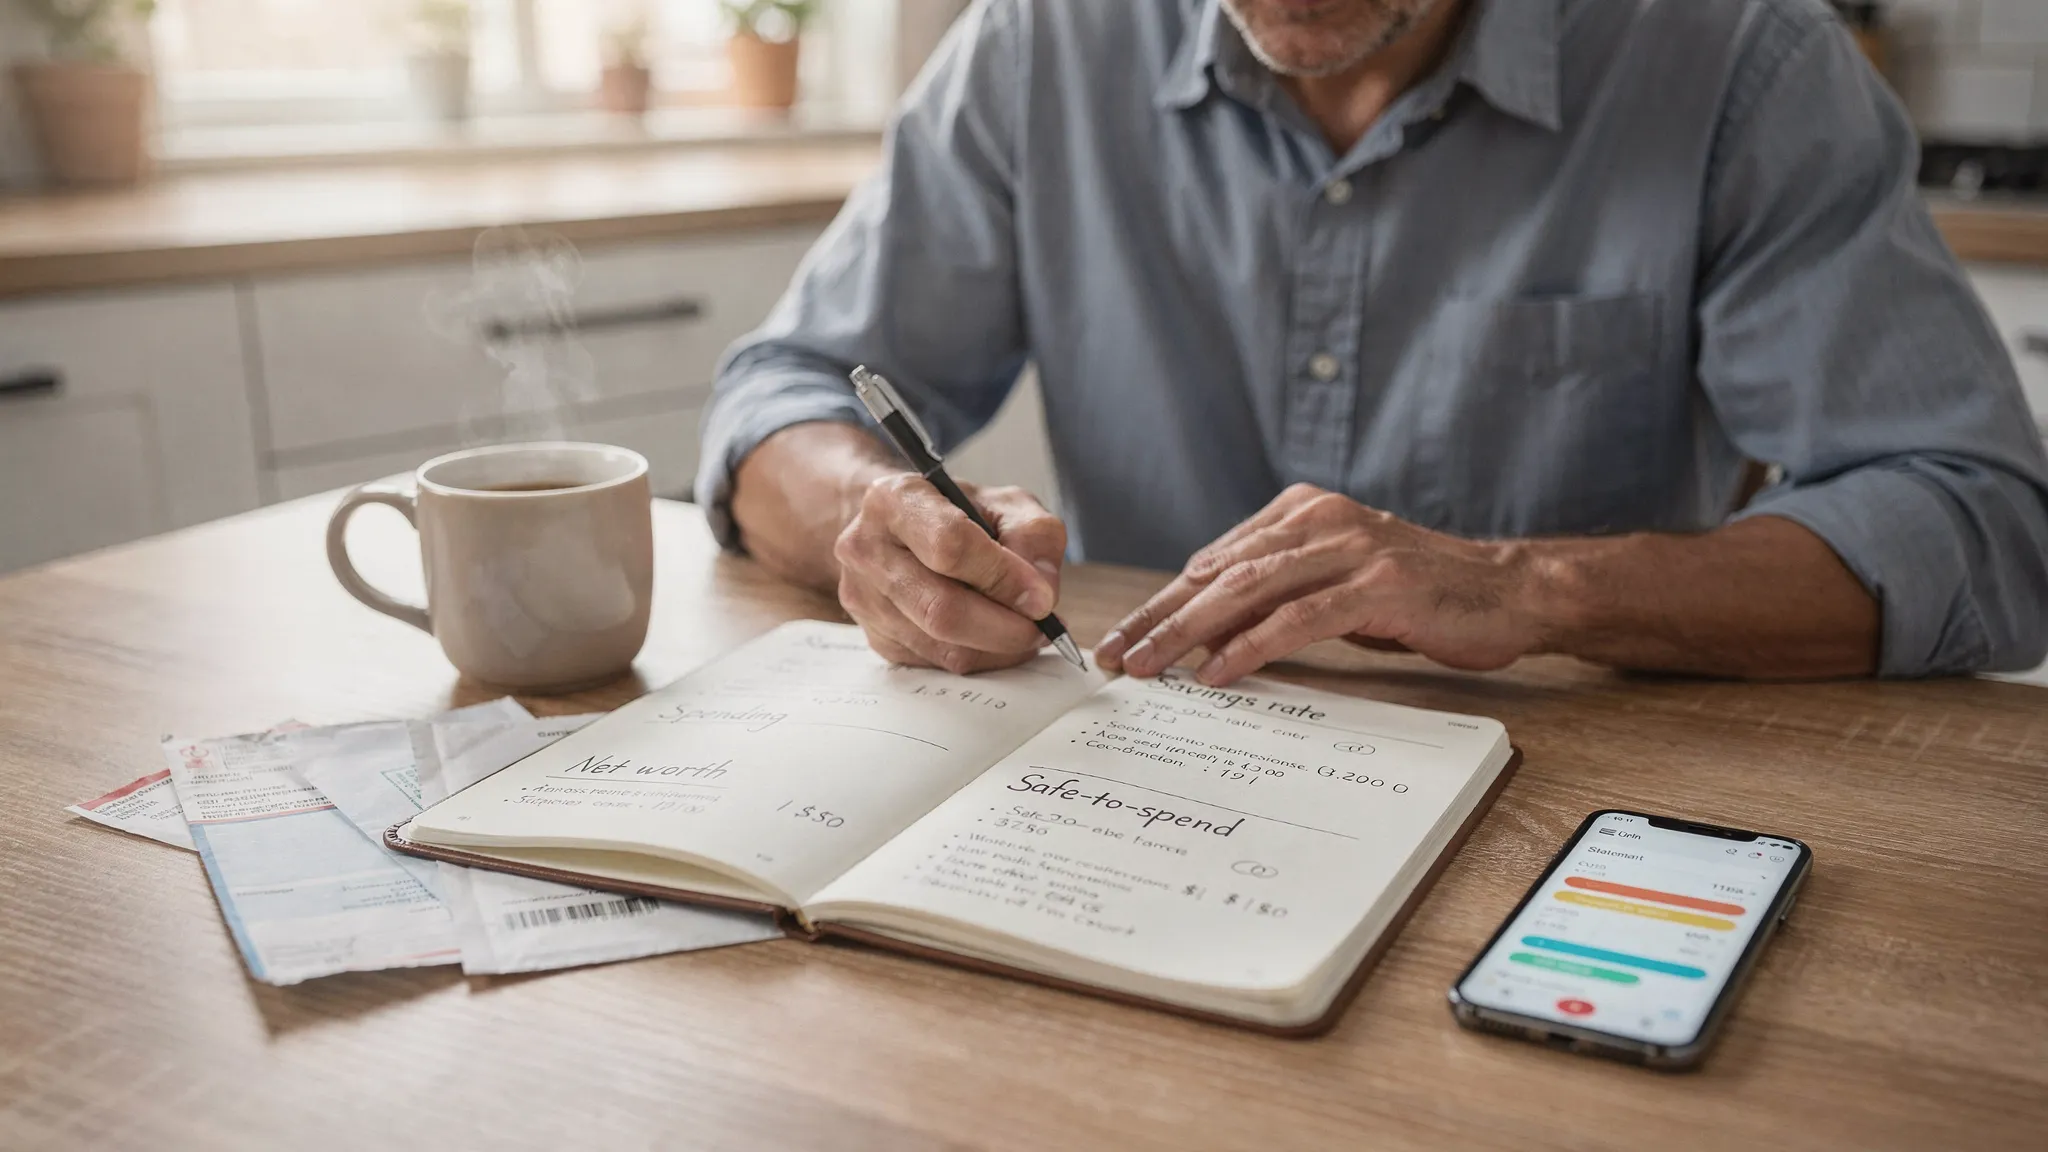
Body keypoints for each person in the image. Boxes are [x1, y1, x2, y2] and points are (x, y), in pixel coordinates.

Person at [695, 0, 2048, 687]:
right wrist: (873, 512)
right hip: (1136, 789)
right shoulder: (1048, 41)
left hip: (1577, 799)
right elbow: (781, 399)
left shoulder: (1735, 57)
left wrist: (1533, 588)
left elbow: (1976, 524)